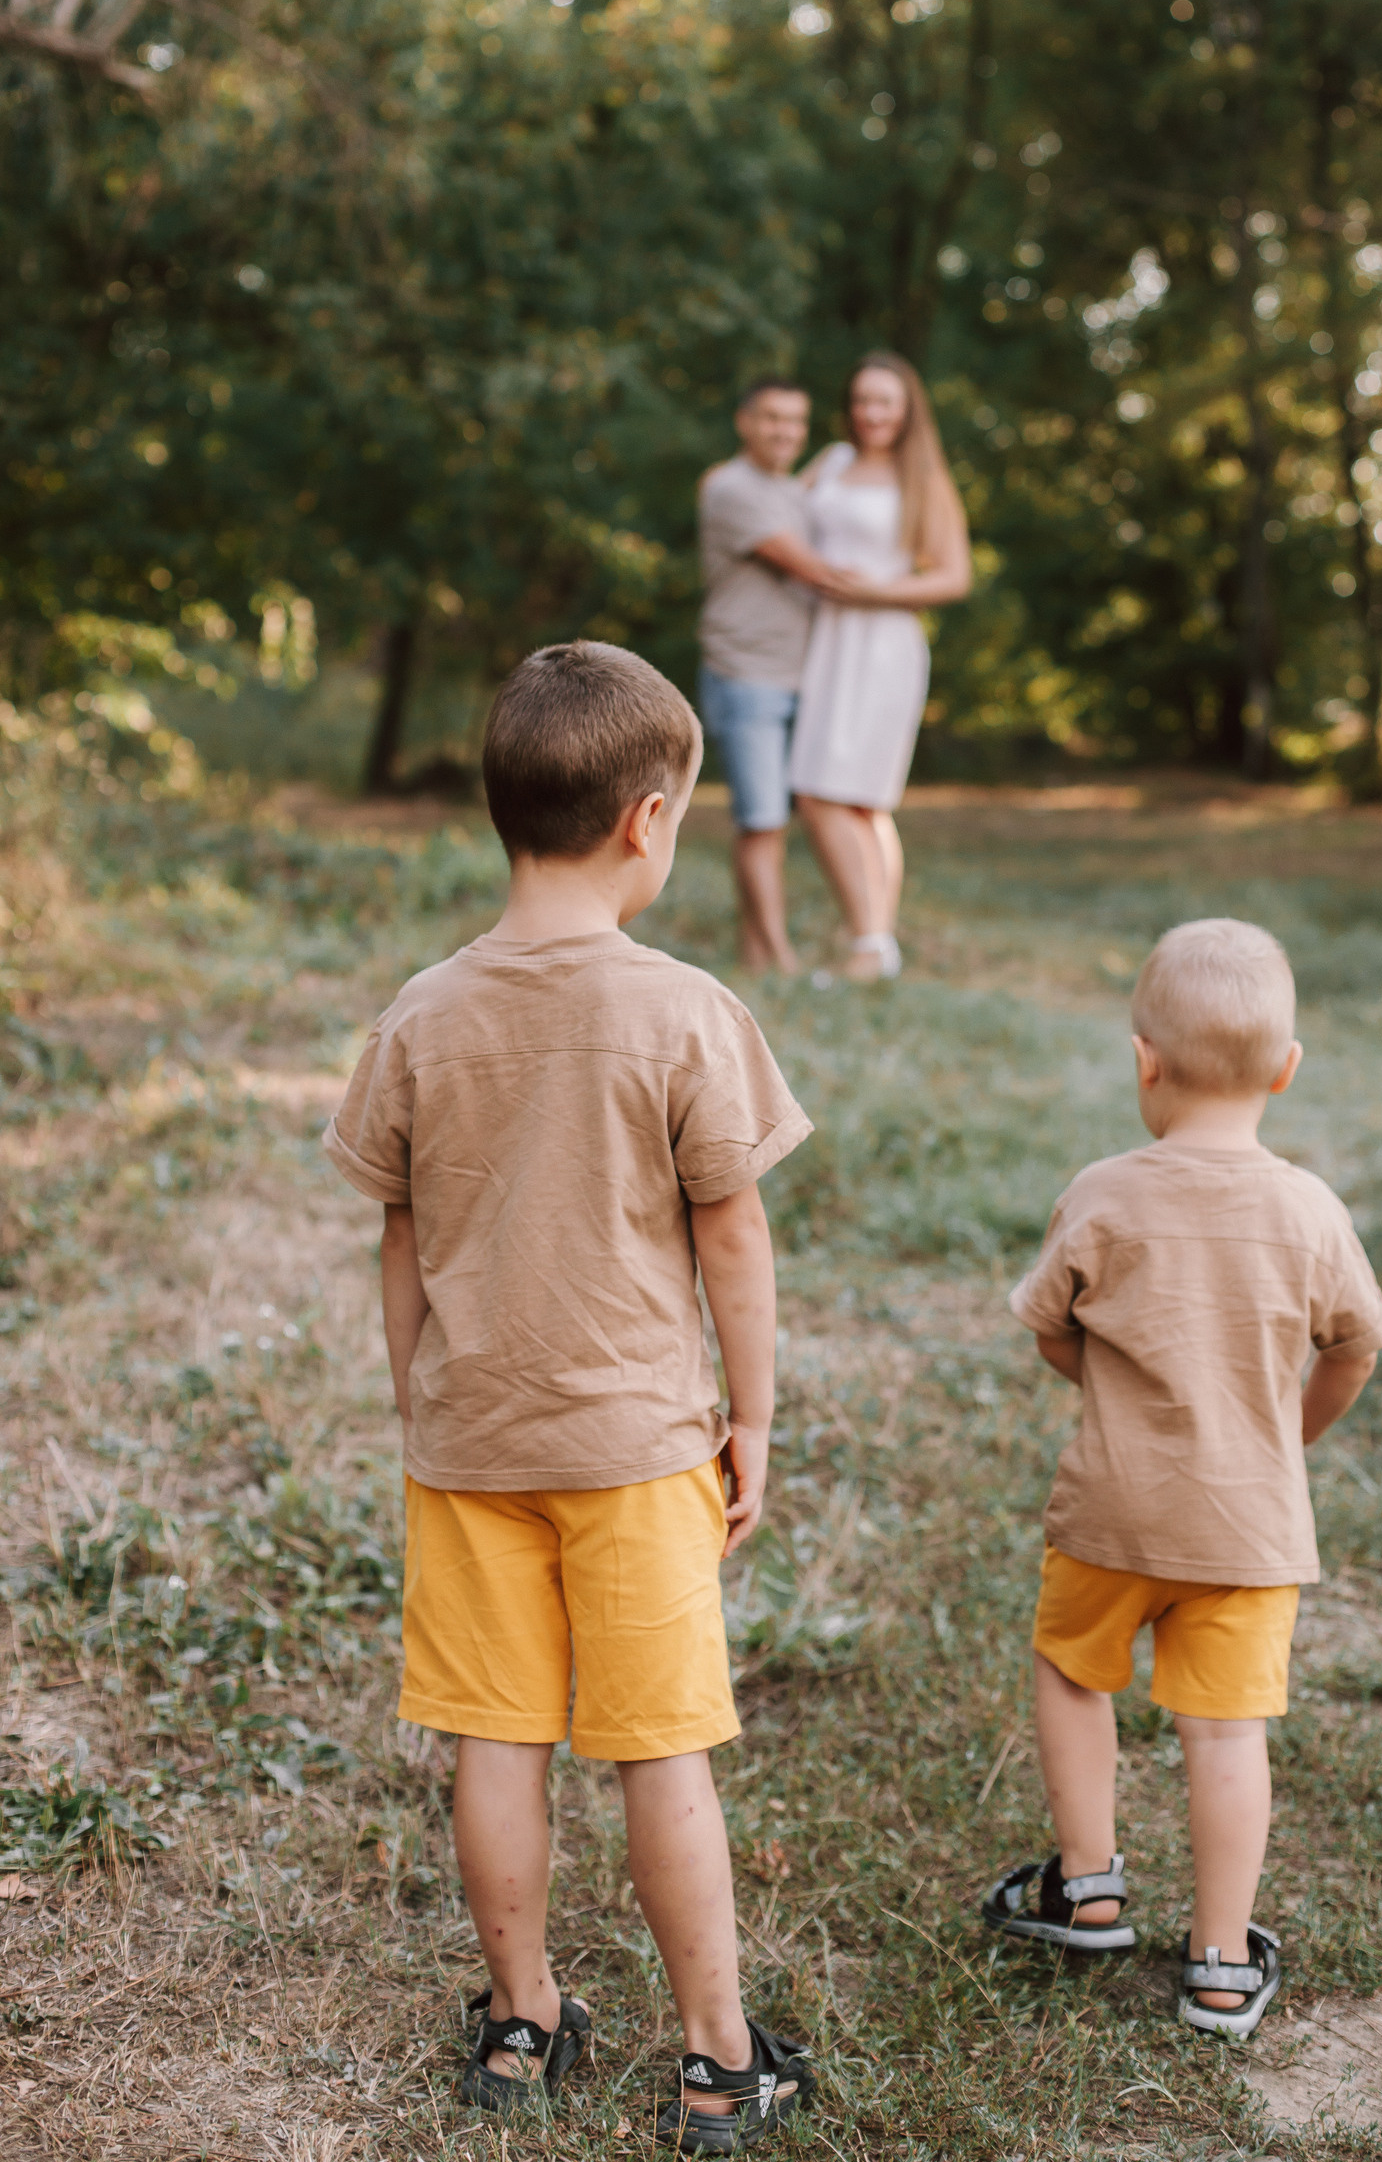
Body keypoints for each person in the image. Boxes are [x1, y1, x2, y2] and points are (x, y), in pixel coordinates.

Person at [322, 641, 819, 2150]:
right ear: (646, 822)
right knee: (660, 1753)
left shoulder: (420, 1013)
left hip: (471, 1443)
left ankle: (522, 2018)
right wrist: (751, 1419)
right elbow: (733, 1236)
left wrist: (421, 1402)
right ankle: (717, 2058)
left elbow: (399, 1236)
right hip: (637, 1449)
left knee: (496, 1739)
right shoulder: (685, 1011)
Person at [981, 919, 1382, 2040]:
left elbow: (1050, 1329)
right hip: (1248, 1527)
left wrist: (1111, 1387)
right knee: (1224, 1733)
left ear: (1143, 1061)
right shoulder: (1309, 1210)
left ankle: (1087, 1884)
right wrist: (1285, 1432)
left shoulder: (1103, 1191)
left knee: (1072, 1672)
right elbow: (1356, 1348)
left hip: (1110, 1509)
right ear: (1287, 1068)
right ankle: (1217, 1960)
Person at [789, 353, 973, 982]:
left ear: (907, 409)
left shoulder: (922, 476)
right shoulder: (832, 462)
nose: (872, 413)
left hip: (883, 642)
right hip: (827, 637)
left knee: (841, 795)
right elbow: (779, 510)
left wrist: (876, 591)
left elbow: (954, 576)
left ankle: (869, 943)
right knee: (845, 799)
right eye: (863, 400)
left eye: (885, 402)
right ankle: (874, 945)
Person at [697, 378, 863, 974]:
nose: (785, 431)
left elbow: (809, 481)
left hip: (798, 675)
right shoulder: (731, 488)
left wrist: (841, 455)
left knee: (770, 823)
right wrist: (911, 591)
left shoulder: (787, 489)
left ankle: (754, 954)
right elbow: (814, 571)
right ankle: (782, 963)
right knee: (762, 822)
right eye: (771, 418)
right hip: (746, 673)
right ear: (744, 422)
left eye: (796, 420)